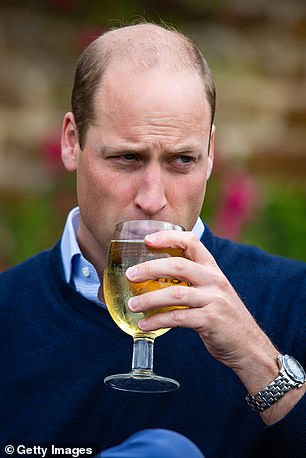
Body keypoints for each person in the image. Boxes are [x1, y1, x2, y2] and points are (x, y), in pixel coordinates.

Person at [0, 22, 305, 458]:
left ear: (211, 154)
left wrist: (258, 361)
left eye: (182, 160)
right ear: (72, 142)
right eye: (127, 158)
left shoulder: (293, 300)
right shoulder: (7, 313)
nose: (153, 198)